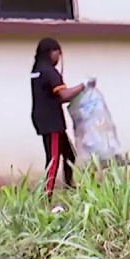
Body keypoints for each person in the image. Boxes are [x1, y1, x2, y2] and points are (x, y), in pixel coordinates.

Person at [30, 37, 94, 206]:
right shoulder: (49, 71)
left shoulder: (37, 69)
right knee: (53, 159)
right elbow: (64, 95)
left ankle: (69, 186)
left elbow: (55, 97)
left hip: (43, 117)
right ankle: (45, 197)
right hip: (51, 122)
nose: (59, 57)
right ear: (51, 52)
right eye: (58, 53)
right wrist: (83, 86)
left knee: (69, 155)